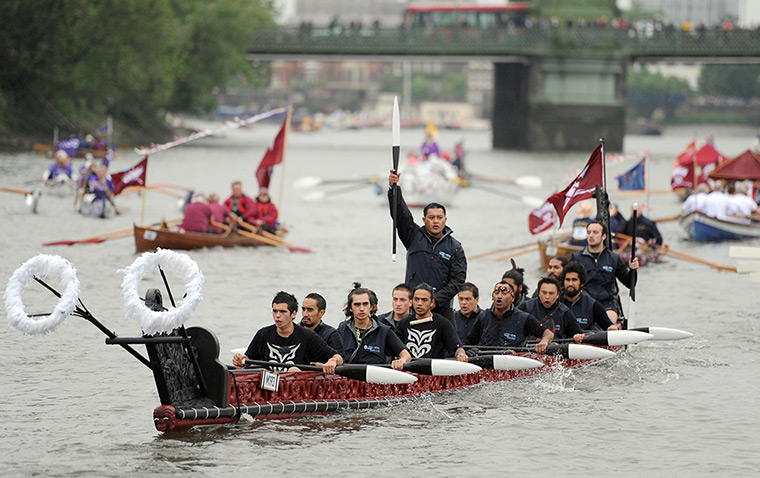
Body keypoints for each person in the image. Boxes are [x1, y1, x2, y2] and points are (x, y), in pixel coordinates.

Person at [388, 170, 467, 323]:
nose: (435, 221)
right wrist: (393, 189)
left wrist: (434, 300)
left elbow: (457, 280)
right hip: (412, 306)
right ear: (424, 220)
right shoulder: (413, 236)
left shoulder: (455, 247)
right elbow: (401, 214)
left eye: (439, 217)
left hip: (441, 309)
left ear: (445, 219)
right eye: (431, 218)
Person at [232, 291, 342, 373]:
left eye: (283, 311)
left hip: (295, 391)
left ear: (293, 314)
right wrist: (241, 361)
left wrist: (332, 361)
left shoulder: (308, 337)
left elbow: (338, 357)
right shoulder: (263, 334)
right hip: (267, 388)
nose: (278, 316)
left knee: (293, 370)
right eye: (275, 311)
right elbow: (249, 360)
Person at [570, 221, 639, 324]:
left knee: (608, 320)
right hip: (584, 302)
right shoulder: (576, 258)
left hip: (607, 303)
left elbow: (630, 284)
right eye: (589, 232)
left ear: (604, 236)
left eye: (595, 232)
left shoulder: (613, 258)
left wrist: (633, 269)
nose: (591, 236)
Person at [336, 283, 411, 369]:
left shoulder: (384, 331)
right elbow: (331, 353)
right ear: (350, 308)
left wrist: (401, 361)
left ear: (371, 307)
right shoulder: (342, 329)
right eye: (357, 305)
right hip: (348, 377)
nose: (361, 309)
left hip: (375, 377)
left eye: (365, 304)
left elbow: (406, 355)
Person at [463, 281, 552, 353]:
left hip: (512, 363)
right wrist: (469, 351)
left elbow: (548, 334)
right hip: (486, 362)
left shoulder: (523, 318)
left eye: (504, 293)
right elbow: (467, 343)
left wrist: (544, 342)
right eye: (496, 293)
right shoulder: (483, 317)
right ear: (492, 297)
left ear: (512, 298)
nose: (499, 296)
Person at [395, 283, 469, 361]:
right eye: (416, 299)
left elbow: (457, 347)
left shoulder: (443, 323)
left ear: (432, 303)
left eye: (424, 300)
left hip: (433, 368)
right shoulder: (403, 324)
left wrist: (461, 354)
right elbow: (394, 348)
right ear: (411, 301)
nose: (419, 303)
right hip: (408, 368)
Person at [519, 276, 584, 343]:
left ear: (557, 295)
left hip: (555, 349)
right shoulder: (526, 307)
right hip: (528, 349)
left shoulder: (565, 313)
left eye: (551, 293)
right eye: (544, 293)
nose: (547, 297)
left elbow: (578, 334)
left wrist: (578, 337)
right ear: (538, 293)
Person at [561, 261, 617, 332]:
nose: (570, 284)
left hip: (584, 341)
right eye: (567, 280)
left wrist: (613, 328)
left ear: (582, 284)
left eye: (574, 280)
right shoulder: (555, 301)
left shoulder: (593, 305)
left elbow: (609, 326)